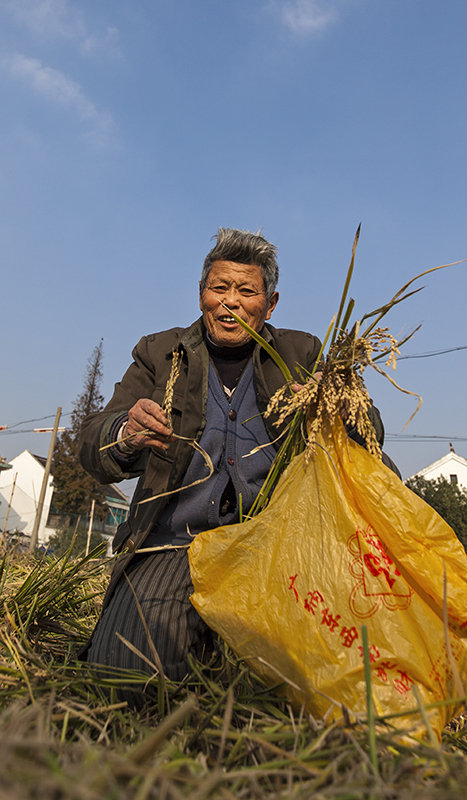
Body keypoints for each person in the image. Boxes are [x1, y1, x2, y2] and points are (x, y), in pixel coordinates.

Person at [78, 228, 393, 699]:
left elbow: (370, 434)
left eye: (246, 291)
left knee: (315, 683)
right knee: (122, 676)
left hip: (278, 546)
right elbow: (92, 444)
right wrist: (125, 432)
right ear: (201, 292)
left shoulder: (302, 353)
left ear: (270, 302)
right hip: (177, 546)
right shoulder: (160, 354)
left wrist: (339, 406)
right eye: (218, 288)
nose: (230, 302)